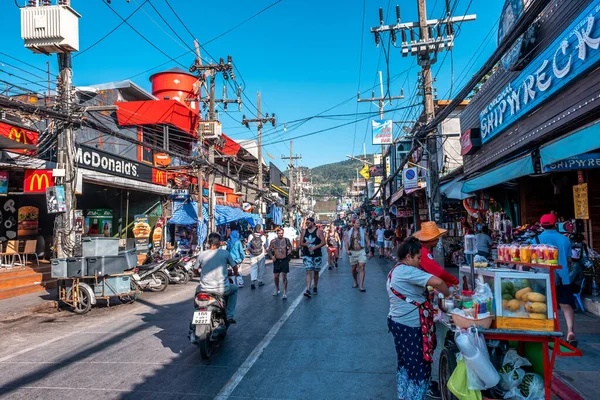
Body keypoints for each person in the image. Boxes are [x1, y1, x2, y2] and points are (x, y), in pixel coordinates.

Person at [387, 236, 450, 400]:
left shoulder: (396, 270)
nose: (419, 261)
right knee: (419, 368)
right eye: (417, 258)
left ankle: (404, 395)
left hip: (398, 323)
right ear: (408, 256)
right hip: (411, 327)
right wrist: (448, 296)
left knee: (405, 365)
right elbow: (438, 281)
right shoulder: (407, 271)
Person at [537, 214, 576, 344]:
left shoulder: (536, 239)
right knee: (566, 304)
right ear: (555, 224)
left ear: (541, 225)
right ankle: (570, 330)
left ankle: (546, 330)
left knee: (543, 305)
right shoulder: (564, 240)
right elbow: (570, 260)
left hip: (544, 278)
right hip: (563, 277)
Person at [196, 232, 239, 323]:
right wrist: (236, 273)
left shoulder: (201, 254)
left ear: (208, 242)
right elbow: (234, 267)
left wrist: (200, 275)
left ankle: (198, 307)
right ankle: (229, 316)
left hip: (204, 289)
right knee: (234, 289)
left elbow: (195, 269)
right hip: (222, 289)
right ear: (219, 242)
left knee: (197, 289)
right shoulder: (225, 253)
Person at [414, 221, 459, 287]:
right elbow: (438, 272)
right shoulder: (422, 251)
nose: (438, 240)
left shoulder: (422, 249)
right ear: (431, 240)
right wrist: (454, 281)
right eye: (437, 238)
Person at [300, 217, 326, 298]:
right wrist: (305, 244)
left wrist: (315, 247)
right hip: (307, 254)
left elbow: (323, 242)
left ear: (313, 222)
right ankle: (308, 289)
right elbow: (300, 243)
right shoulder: (304, 231)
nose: (307, 224)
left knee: (316, 271)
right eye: (306, 223)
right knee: (308, 270)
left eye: (309, 223)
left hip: (316, 254)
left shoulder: (318, 231)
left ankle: (315, 286)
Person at [345, 219, 371, 292]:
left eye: (359, 223)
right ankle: (355, 281)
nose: (359, 224)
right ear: (353, 224)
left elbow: (367, 240)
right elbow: (346, 242)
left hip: (361, 251)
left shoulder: (363, 232)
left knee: (361, 266)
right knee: (353, 269)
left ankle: (361, 286)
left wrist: (369, 251)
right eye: (357, 223)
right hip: (352, 252)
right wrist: (347, 250)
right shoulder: (348, 233)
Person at [267, 227, 292, 299]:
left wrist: (289, 251)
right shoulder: (273, 241)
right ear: (277, 233)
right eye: (279, 233)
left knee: (284, 277)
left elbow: (290, 247)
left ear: (283, 233)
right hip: (277, 260)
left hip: (284, 260)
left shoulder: (286, 240)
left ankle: (284, 292)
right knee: (276, 276)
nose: (280, 235)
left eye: (281, 233)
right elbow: (268, 250)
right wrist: (272, 256)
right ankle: (277, 289)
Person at [247, 224, 267, 290]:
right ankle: (260, 281)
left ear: (254, 229)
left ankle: (253, 282)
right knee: (261, 268)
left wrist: (251, 251)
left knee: (253, 268)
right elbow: (264, 245)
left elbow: (248, 245)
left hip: (253, 254)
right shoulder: (263, 237)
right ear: (260, 229)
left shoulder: (250, 236)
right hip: (261, 254)